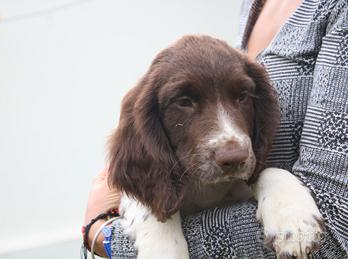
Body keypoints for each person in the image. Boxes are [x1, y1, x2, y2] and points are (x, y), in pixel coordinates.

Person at [84, 0, 348, 257]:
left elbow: (335, 226)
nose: (230, 143)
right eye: (184, 101)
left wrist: (106, 239)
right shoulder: (252, 5)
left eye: (242, 97)